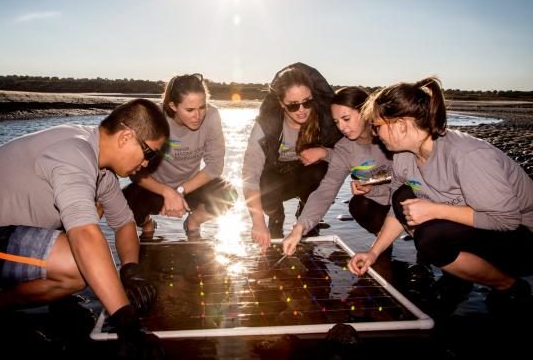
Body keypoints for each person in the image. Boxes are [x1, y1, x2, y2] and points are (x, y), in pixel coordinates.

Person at [0, 98, 169, 356]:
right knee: (78, 266)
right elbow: (85, 235)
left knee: (87, 264)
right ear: (125, 137)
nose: (147, 164)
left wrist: (131, 272)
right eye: (149, 153)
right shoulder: (74, 154)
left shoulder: (101, 168)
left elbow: (124, 223)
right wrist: (127, 323)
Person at [347, 77, 533, 315]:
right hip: (482, 229)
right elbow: (397, 210)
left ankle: (509, 286)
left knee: (430, 236)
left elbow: (506, 220)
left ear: (400, 123)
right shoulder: (404, 155)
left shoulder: (467, 155)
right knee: (401, 197)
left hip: (522, 241)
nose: (374, 133)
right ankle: (458, 273)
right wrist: (373, 252)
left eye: (377, 126)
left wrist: (434, 210)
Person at [122, 73, 237, 238]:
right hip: (156, 189)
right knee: (121, 205)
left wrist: (180, 191)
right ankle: (148, 225)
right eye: (190, 110)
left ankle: (193, 223)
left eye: (202, 107)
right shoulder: (154, 119)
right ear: (173, 106)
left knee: (228, 194)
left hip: (190, 187)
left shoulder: (212, 116)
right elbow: (134, 170)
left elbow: (215, 165)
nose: (198, 116)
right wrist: (167, 192)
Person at [243, 63, 342, 251]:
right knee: (265, 189)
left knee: (319, 171)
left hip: (308, 176)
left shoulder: (327, 121)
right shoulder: (265, 125)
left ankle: (306, 214)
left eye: (308, 102)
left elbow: (349, 157)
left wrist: (324, 152)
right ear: (281, 103)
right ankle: (276, 215)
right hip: (276, 178)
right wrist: (257, 222)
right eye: (294, 105)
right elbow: (250, 175)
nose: (302, 109)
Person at [282, 86, 393, 256]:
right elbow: (326, 190)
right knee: (358, 205)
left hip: (411, 197)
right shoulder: (344, 149)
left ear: (365, 111)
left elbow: (409, 177)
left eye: (346, 119)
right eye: (336, 122)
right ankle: (385, 240)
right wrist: (300, 228)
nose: (341, 127)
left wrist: (375, 184)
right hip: (382, 201)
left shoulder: (390, 134)